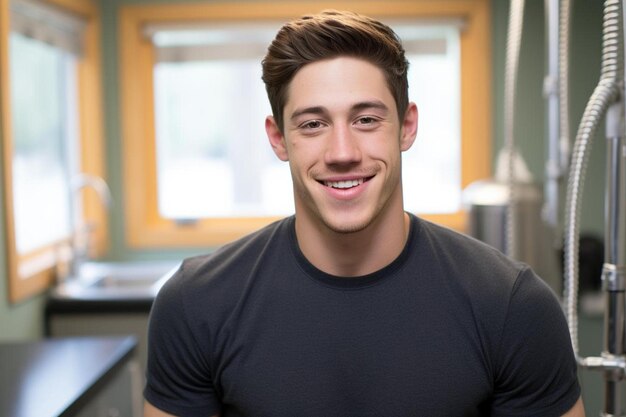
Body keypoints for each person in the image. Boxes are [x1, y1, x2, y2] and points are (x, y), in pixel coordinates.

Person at [144, 10, 585, 417]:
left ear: (407, 127)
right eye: (313, 124)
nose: (342, 153)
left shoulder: (512, 307)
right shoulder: (196, 305)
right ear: (278, 139)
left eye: (367, 119)